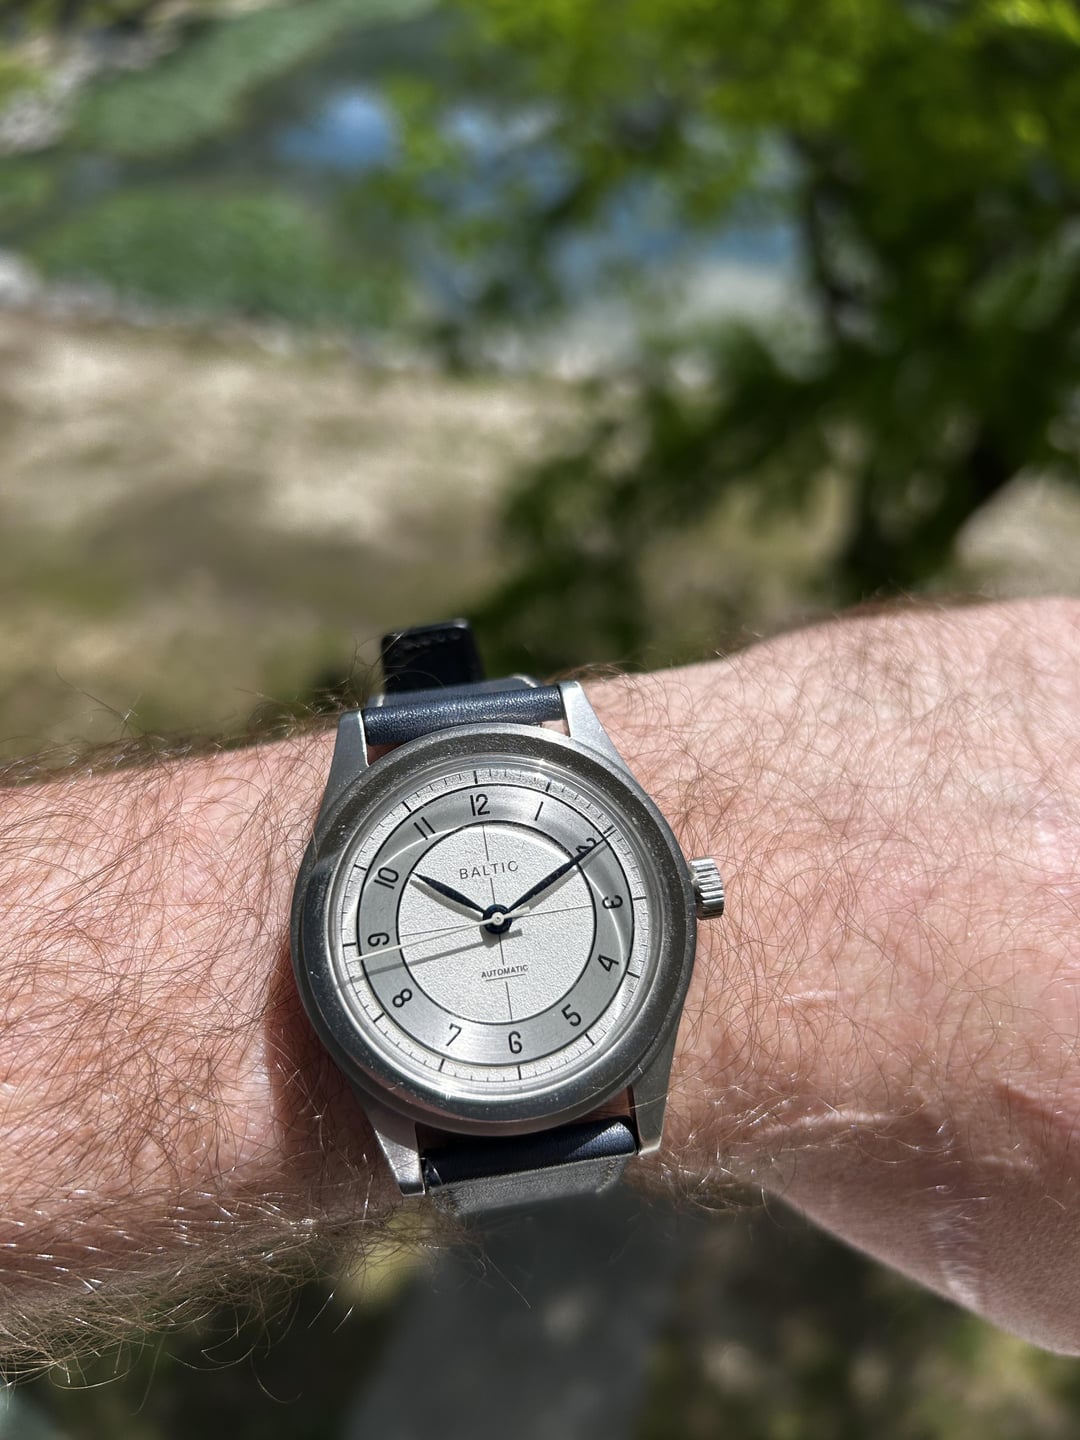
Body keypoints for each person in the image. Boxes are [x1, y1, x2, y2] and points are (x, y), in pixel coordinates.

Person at [2, 596, 1080, 1361]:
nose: (500, 920)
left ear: (687, 891)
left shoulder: (626, 1057)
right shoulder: (474, 1101)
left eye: (508, 912)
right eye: (491, 914)